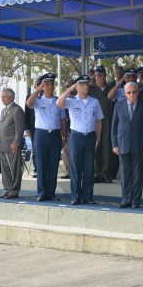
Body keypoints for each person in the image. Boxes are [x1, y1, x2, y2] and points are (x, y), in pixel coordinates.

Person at [57, 75, 103, 205]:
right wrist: (70, 88)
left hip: (90, 136)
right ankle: (76, 196)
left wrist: (98, 137)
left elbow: (99, 121)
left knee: (89, 168)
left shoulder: (94, 101)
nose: (86, 86)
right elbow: (59, 103)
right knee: (76, 168)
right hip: (77, 136)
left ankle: (88, 196)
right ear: (77, 87)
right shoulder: (71, 101)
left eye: (87, 84)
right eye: (82, 84)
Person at [111, 82, 143, 208]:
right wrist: (114, 145)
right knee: (125, 175)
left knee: (138, 175)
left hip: (139, 145)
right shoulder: (118, 105)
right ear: (125, 93)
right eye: (129, 92)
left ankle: (135, 201)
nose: (132, 95)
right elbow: (113, 127)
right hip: (122, 144)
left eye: (134, 92)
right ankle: (126, 200)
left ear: (138, 92)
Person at [26, 74, 67, 202]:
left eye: (51, 84)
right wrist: (39, 89)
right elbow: (29, 104)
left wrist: (64, 136)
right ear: (43, 86)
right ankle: (42, 192)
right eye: (47, 84)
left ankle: (51, 192)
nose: (50, 87)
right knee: (41, 164)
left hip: (54, 134)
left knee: (53, 164)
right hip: (41, 134)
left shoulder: (58, 101)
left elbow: (63, 120)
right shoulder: (38, 100)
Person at [0, 88, 25, 199]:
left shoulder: (17, 110)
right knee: (5, 169)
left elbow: (19, 129)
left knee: (15, 169)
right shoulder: (4, 110)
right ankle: (7, 189)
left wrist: (16, 143)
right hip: (3, 145)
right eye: (2, 97)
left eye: (4, 97)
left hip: (12, 145)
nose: (2, 99)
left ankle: (14, 190)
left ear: (11, 97)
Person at [60, 79, 76, 179]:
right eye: (66, 86)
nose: (68, 88)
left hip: (77, 131)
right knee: (66, 153)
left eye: (70, 86)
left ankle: (77, 172)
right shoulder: (64, 100)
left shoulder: (79, 99)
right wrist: (63, 134)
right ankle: (69, 172)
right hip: (67, 131)